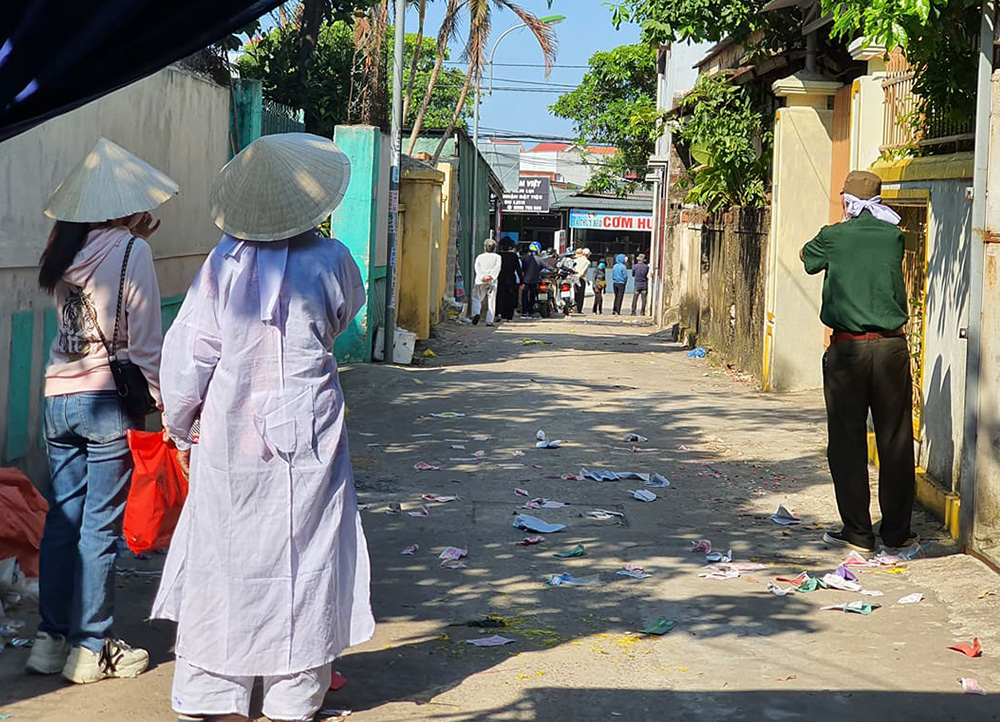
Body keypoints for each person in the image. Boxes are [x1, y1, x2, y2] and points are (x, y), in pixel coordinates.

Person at [152, 133, 375, 722]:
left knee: (224, 554)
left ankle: (214, 693)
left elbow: (188, 354)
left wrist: (179, 425)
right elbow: (343, 315)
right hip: (309, 425)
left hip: (230, 429)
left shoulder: (223, 262)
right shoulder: (334, 259)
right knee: (308, 551)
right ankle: (293, 692)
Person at [26, 138, 175, 683]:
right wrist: (165, 405)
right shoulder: (132, 252)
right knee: (98, 528)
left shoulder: (60, 248)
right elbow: (146, 343)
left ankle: (49, 640)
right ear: (123, 201)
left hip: (57, 398)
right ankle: (91, 647)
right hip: (107, 401)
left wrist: (129, 238)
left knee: (62, 521)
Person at [801, 169, 915, 554]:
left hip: (848, 350)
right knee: (895, 441)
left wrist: (832, 235)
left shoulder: (834, 236)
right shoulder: (894, 236)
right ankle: (898, 533)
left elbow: (807, 258)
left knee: (847, 443)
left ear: (847, 201)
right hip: (891, 350)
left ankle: (858, 534)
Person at [472, 238, 502, 326]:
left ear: (485, 247)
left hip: (480, 281)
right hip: (492, 281)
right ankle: (490, 320)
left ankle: (476, 313)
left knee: (477, 298)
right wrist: (491, 276)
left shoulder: (480, 257)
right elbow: (497, 267)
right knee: (491, 300)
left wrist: (482, 276)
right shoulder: (497, 257)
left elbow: (477, 267)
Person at [496, 237, 521, 321]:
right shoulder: (514, 256)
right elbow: (518, 269)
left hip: (500, 278)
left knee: (500, 297)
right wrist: (522, 281)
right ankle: (509, 316)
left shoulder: (498, 255)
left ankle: (500, 313)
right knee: (511, 297)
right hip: (511, 278)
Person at [521, 242, 542, 317]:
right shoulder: (539, 259)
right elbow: (547, 266)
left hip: (526, 280)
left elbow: (523, 269)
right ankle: (530, 310)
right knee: (533, 295)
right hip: (535, 280)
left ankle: (524, 311)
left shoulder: (526, 258)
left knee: (525, 296)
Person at [573, 247, 591, 314]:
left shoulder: (576, 260)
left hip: (575, 278)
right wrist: (579, 277)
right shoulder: (587, 262)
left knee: (576, 294)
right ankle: (579, 309)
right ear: (587, 255)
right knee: (580, 295)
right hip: (581, 279)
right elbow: (583, 272)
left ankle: (575, 308)